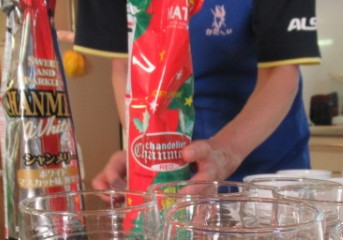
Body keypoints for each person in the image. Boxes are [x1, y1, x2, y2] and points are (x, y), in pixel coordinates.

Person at [73, 0, 321, 189]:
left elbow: (281, 72)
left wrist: (226, 151)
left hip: (268, 170)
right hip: (180, 168)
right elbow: (126, 70)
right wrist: (145, 152)